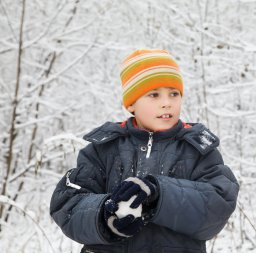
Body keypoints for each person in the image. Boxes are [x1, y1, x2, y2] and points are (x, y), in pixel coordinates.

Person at [50, 49, 239, 253]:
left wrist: (160, 195)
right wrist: (105, 215)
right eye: (154, 95)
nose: (166, 102)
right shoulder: (103, 148)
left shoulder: (197, 149)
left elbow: (217, 205)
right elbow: (68, 204)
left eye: (174, 94)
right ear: (131, 103)